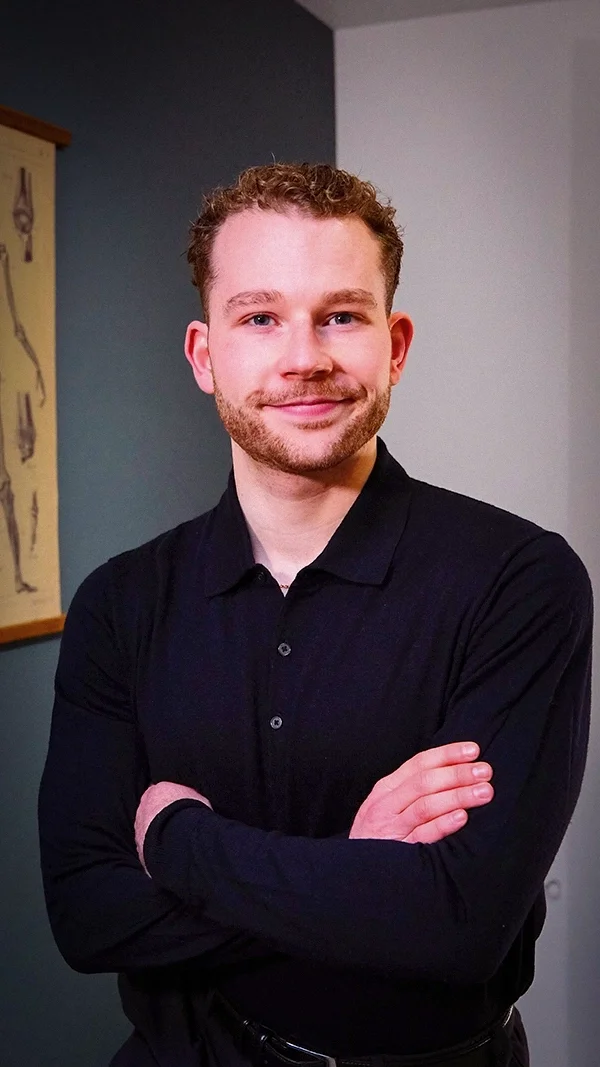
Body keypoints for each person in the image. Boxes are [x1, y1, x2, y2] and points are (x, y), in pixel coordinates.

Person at [38, 163, 592, 1067]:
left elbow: (459, 925)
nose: (305, 356)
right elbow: (87, 915)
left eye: (341, 314)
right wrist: (356, 863)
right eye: (260, 317)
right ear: (204, 354)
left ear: (395, 343)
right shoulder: (119, 604)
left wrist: (176, 840)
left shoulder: (520, 579)